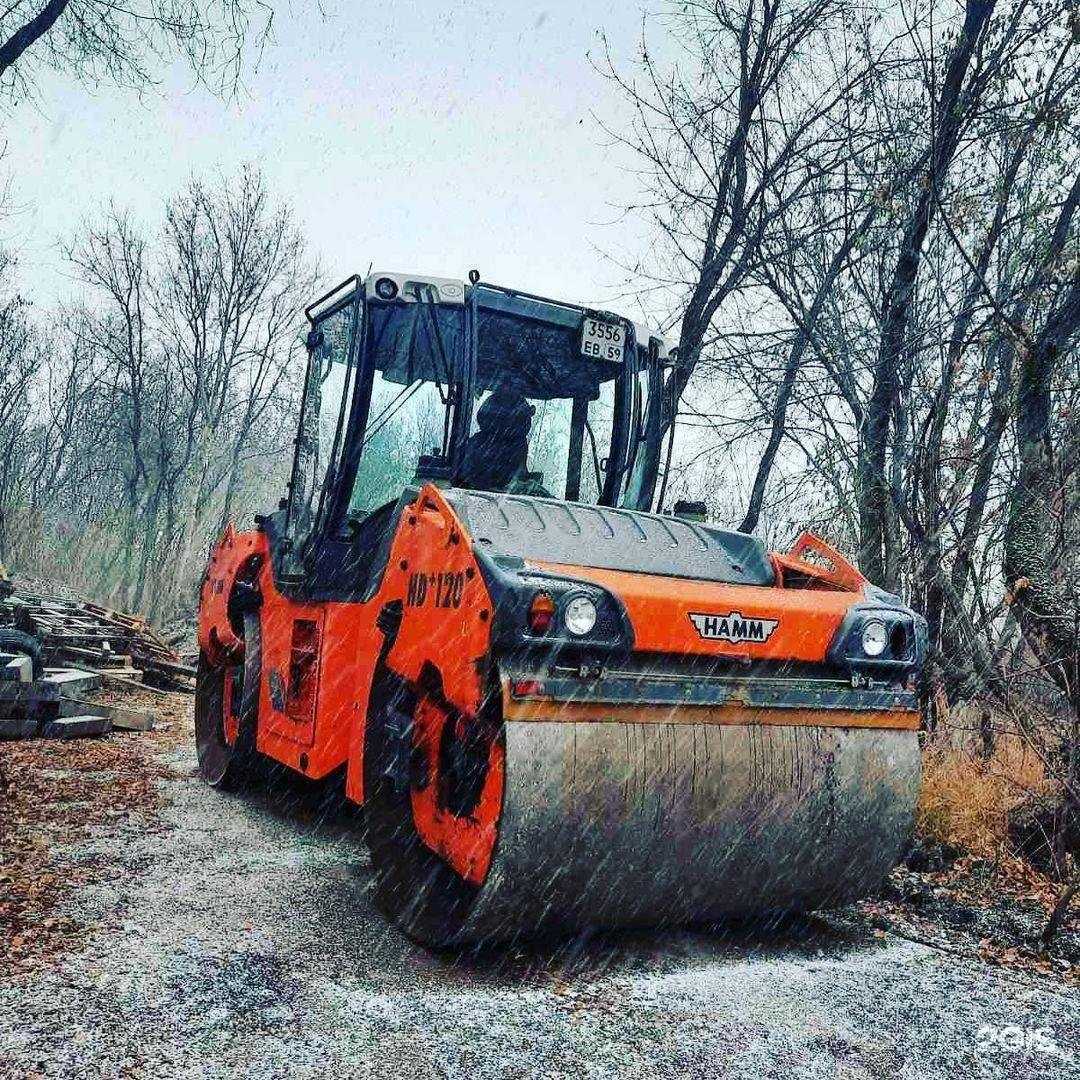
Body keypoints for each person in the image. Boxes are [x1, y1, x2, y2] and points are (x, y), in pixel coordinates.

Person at [459, 390, 534, 492]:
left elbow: (519, 477)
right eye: (518, 417)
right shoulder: (476, 445)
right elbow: (465, 484)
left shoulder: (519, 444)